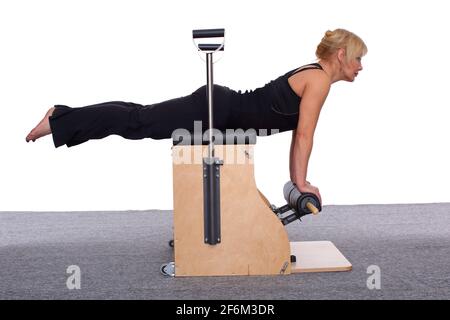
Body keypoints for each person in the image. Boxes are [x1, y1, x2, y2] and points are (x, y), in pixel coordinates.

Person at [25, 29, 367, 204]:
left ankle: (64, 117)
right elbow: (304, 135)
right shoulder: (319, 80)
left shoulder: (314, 75)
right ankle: (60, 119)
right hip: (216, 112)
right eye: (357, 59)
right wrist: (301, 183)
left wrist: (298, 182)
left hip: (220, 110)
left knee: (138, 116)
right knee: (138, 121)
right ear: (341, 55)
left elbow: (299, 136)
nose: (360, 67)